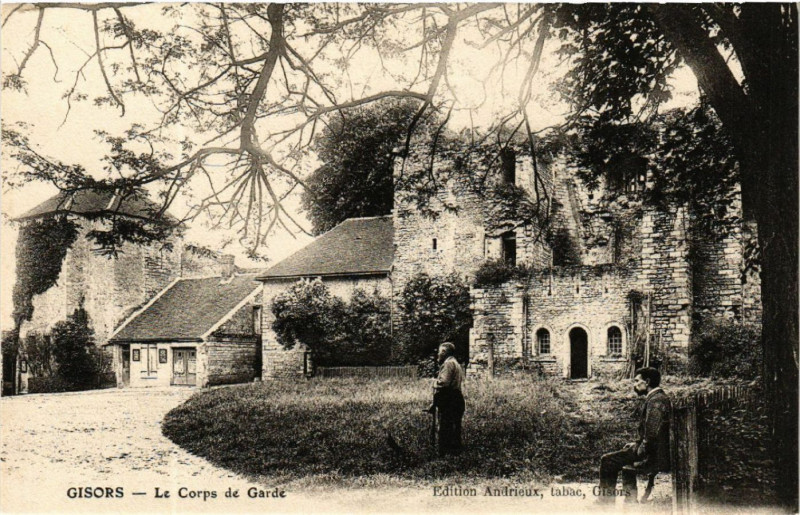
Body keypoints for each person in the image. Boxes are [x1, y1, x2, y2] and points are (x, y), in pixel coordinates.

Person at [597, 367, 672, 504]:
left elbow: (652, 434)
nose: (634, 384)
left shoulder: (656, 401)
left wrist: (640, 451)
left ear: (647, 382)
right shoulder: (657, 398)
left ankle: (604, 504)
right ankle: (624, 501)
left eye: (637, 381)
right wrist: (636, 444)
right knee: (614, 458)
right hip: (654, 451)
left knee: (607, 461)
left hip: (653, 455)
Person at [427, 342, 465, 456]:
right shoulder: (455, 363)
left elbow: (443, 383)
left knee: (446, 426)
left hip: (450, 399)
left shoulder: (448, 364)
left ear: (444, 352)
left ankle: (446, 454)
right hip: (456, 398)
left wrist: (434, 382)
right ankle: (454, 453)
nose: (438, 354)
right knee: (454, 426)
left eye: (439, 352)